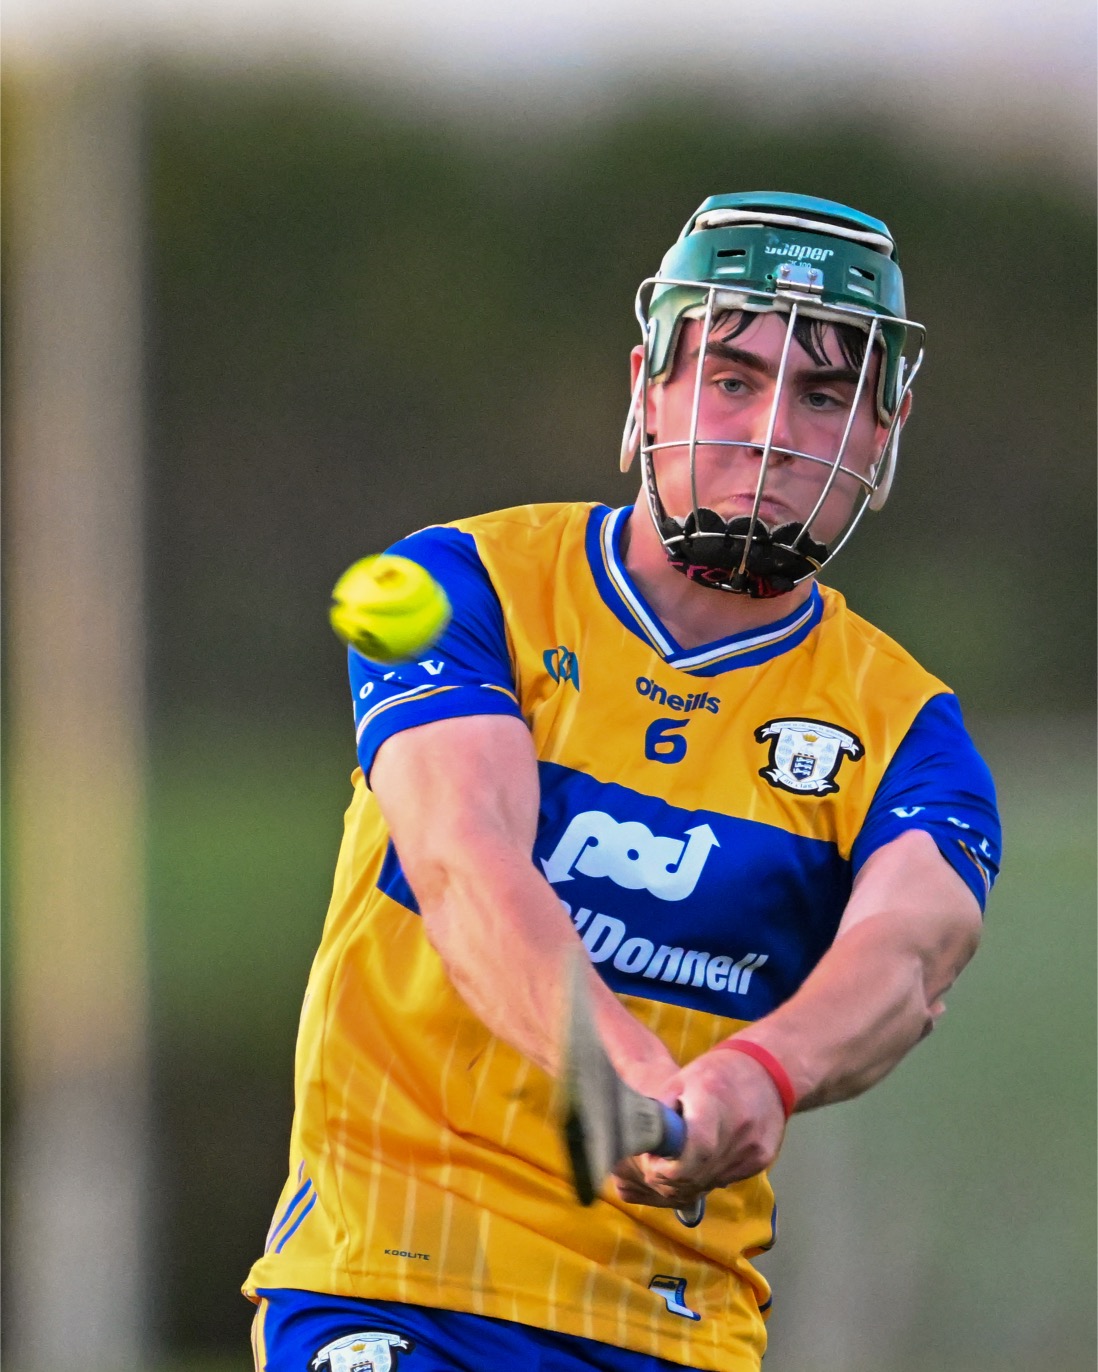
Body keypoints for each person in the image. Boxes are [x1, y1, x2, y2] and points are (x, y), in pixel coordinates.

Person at [243, 191, 1001, 1372]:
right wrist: (625, 1076)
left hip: (668, 1324)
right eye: (733, 378)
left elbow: (908, 952)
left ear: (881, 433)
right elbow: (463, 858)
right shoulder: (458, 587)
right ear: (648, 387)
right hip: (392, 1276)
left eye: (822, 394)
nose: (771, 430)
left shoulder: (909, 731)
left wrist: (761, 1073)